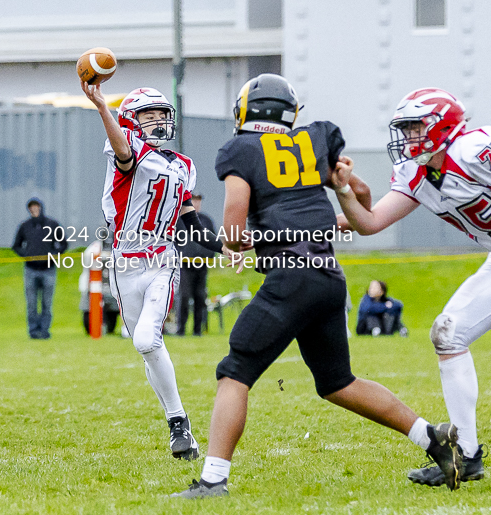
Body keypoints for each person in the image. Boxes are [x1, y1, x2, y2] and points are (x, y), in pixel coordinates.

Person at [173, 75, 463, 498]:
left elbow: (233, 229)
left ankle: (213, 480)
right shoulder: (311, 143)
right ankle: (430, 437)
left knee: (234, 372)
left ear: (244, 111)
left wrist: (244, 240)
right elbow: (363, 197)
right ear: (289, 113)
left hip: (291, 277)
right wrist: (332, 201)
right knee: (337, 382)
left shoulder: (240, 149)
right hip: (328, 276)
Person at [335, 87, 491, 487]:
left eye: (416, 128)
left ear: (443, 127)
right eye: (406, 129)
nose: (409, 138)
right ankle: (466, 455)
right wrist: (343, 190)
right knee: (448, 333)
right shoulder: (418, 174)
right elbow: (371, 222)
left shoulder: (475, 151)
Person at [81, 81, 226, 461]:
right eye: (150, 114)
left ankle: (178, 424)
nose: (159, 121)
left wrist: (224, 247)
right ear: (131, 120)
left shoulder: (184, 166)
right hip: (125, 263)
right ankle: (182, 430)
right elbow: (124, 153)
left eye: (163, 114)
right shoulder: (128, 151)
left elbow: (191, 222)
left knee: (147, 339)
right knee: (145, 348)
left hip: (162, 258)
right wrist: (102, 108)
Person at [12, 197, 68, 339]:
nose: (34, 210)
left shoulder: (52, 224)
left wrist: (54, 255)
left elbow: (63, 243)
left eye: (36, 207)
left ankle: (44, 330)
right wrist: (27, 255)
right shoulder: (25, 226)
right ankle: (33, 330)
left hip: (48, 269)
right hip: (31, 269)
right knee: (31, 303)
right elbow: (16, 246)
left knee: (46, 303)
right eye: (32, 208)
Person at [175, 193, 216, 336]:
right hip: (185, 265)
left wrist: (210, 255)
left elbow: (213, 239)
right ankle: (181, 330)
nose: (196, 203)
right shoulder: (180, 220)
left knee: (200, 298)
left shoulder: (206, 221)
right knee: (184, 297)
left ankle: (197, 330)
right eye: (193, 200)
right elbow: (173, 240)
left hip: (202, 265)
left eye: (198, 201)